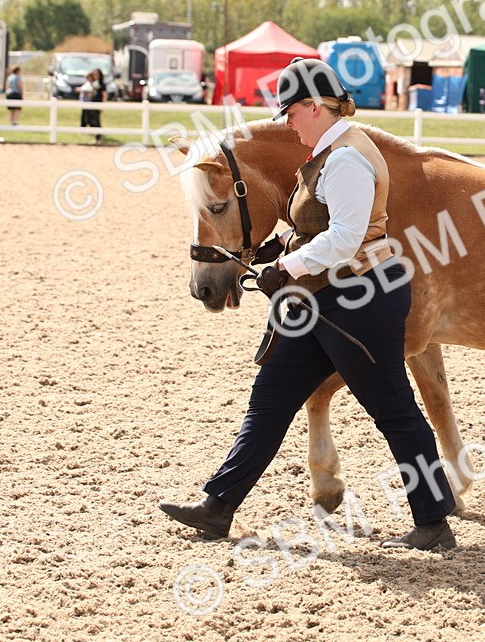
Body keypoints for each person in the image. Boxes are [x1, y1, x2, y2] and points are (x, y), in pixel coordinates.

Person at [159, 57, 458, 552]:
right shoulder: (326, 151)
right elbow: (323, 228)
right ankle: (218, 506)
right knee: (271, 397)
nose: (287, 121)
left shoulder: (345, 158)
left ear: (316, 107)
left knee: (392, 409)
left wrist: (287, 270)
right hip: (326, 298)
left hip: (361, 299)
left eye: (292, 111)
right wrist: (282, 251)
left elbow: (345, 237)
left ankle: (433, 521)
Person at [79, 68, 105, 144]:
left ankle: (99, 137)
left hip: (98, 104)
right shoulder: (93, 83)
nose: (95, 76)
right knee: (91, 120)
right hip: (92, 103)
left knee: (96, 121)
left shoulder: (101, 84)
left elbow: (104, 94)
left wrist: (103, 105)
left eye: (97, 74)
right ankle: (97, 136)